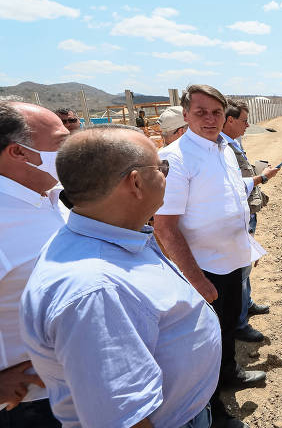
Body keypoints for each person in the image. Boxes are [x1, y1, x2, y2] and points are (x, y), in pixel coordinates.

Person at [20, 126, 221, 428]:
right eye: (161, 167)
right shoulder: (95, 291)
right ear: (136, 183)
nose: (166, 175)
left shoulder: (109, 235)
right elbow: (125, 419)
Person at [153, 85, 267, 428]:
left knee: (229, 325)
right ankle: (214, 411)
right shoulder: (176, 158)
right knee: (205, 345)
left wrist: (246, 249)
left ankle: (230, 374)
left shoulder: (224, 150)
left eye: (216, 113)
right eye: (200, 112)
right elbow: (165, 227)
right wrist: (197, 279)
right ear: (185, 115)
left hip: (230, 261)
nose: (209, 119)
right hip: (204, 269)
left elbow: (232, 200)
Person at [0, 102, 69, 427]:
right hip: (33, 405)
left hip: (76, 383)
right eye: (61, 143)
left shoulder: (48, 196)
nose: (72, 150)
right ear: (19, 152)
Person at [221, 99, 280, 339]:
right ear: (230, 120)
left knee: (246, 266)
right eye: (244, 120)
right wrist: (262, 178)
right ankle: (239, 324)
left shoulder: (231, 143)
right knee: (241, 268)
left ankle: (247, 304)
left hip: (246, 211)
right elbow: (234, 187)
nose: (247, 125)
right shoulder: (223, 148)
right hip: (238, 215)